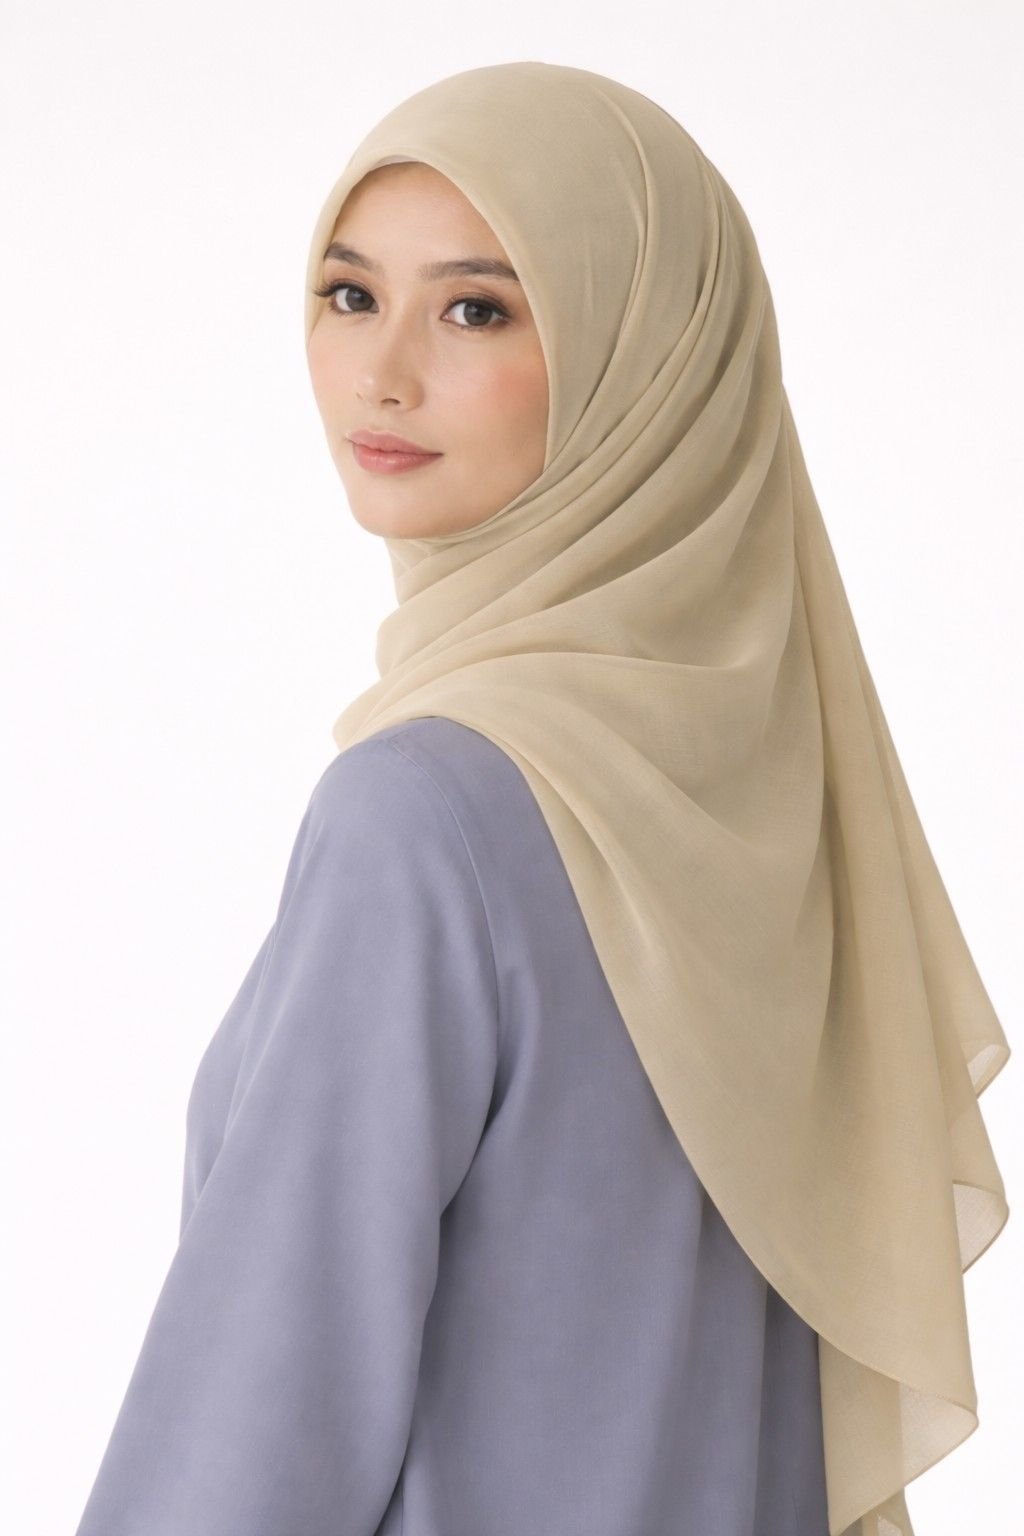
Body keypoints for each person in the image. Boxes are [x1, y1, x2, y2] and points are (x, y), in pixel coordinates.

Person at [73, 62, 1010, 1536]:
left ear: (646, 360)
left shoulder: (420, 823)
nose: (382, 376)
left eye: (476, 311)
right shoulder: (770, 805)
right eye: (348, 295)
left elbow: (254, 1437)